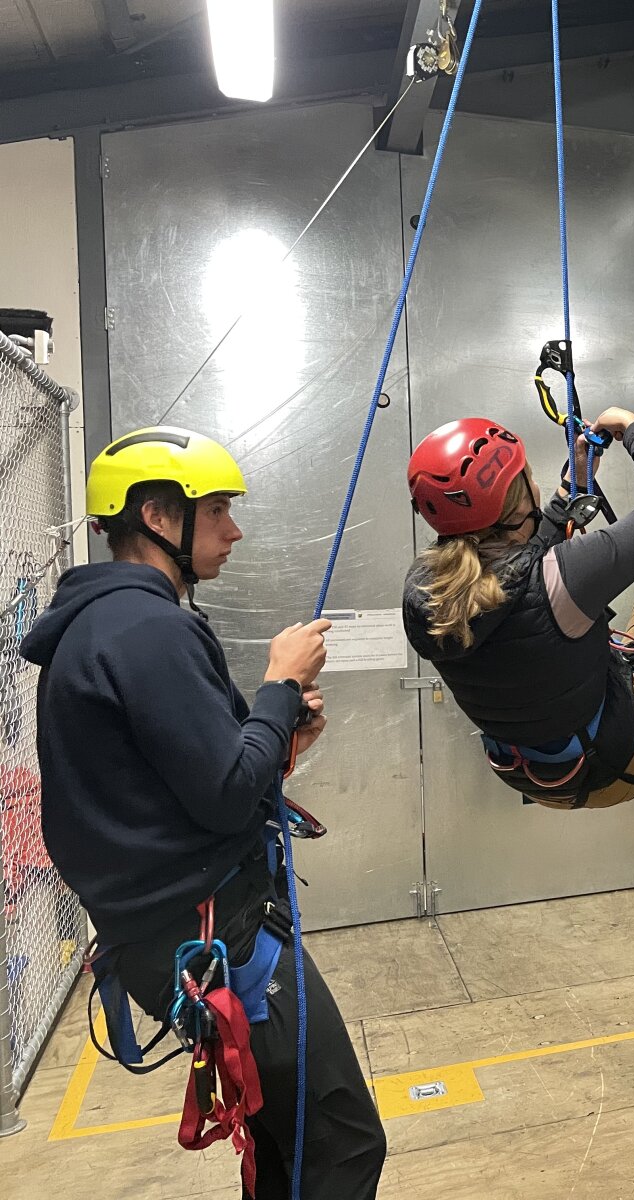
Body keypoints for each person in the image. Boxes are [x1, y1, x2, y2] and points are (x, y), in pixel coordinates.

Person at [21, 425, 386, 1199]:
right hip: (219, 939)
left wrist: (277, 733)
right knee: (341, 1144)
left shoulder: (103, 626)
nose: (234, 528)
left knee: (280, 1139)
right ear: (158, 516)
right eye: (217, 509)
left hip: (172, 937)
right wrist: (280, 689)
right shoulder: (149, 630)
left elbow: (181, 782)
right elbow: (223, 797)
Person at [403, 411, 634, 811]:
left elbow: (517, 560)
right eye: (526, 475)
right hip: (614, 768)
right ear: (518, 494)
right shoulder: (565, 574)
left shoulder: (426, 590)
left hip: (537, 778)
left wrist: (573, 487)